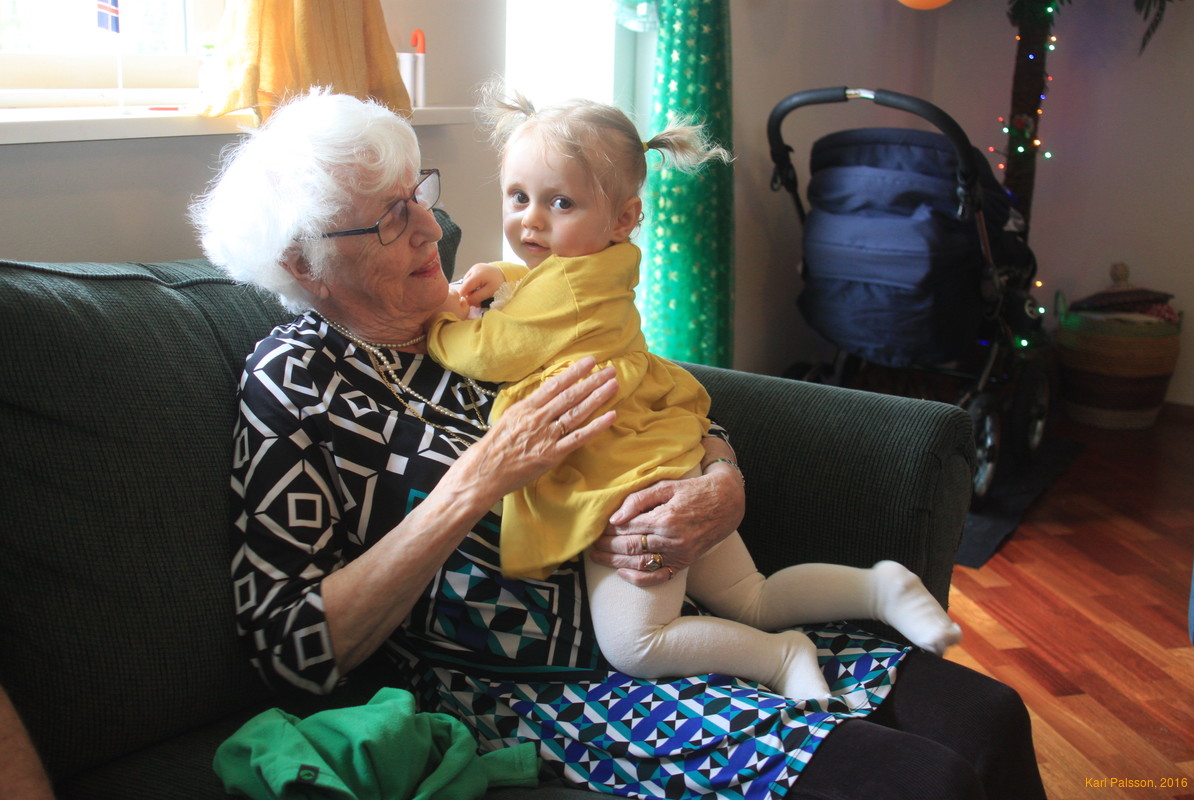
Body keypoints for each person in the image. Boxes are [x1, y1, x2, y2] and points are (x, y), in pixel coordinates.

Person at [191, 88, 1046, 799]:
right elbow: (291, 649)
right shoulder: (297, 381)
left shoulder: (482, 301)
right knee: (918, 783)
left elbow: (647, 387)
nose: (427, 228)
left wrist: (718, 475)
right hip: (543, 683)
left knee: (990, 718)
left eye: (420, 194)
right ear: (304, 263)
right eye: (388, 220)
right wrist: (479, 478)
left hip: (675, 609)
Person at [425, 90, 961, 700]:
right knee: (751, 595)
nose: (531, 220)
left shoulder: (563, 295)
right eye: (518, 197)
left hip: (625, 480)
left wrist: (445, 320)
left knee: (637, 644)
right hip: (667, 452)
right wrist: (508, 273)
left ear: (624, 218)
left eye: (560, 202)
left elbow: (492, 351)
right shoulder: (599, 264)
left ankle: (778, 658)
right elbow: (550, 282)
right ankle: (877, 588)